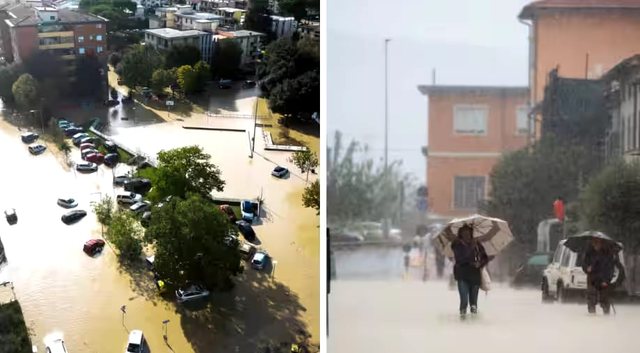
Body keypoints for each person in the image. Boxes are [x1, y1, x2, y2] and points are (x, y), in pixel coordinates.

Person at [452, 224, 489, 318]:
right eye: (464, 233)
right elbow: (459, 258)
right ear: (461, 234)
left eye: (468, 233)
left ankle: (474, 320)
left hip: (474, 275)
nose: (466, 235)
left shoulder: (477, 244)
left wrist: (479, 263)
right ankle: (462, 317)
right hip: (462, 274)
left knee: (473, 303)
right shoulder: (457, 244)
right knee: (464, 300)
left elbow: (485, 258)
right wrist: (470, 258)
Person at [581, 238, 625, 314]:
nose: (595, 244)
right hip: (592, 279)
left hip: (604, 280)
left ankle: (606, 314)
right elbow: (584, 264)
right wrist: (587, 268)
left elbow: (610, 269)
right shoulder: (589, 252)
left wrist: (606, 280)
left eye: (597, 242)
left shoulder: (608, 253)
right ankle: (592, 316)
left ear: (601, 243)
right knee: (591, 299)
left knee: (605, 300)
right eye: (594, 242)